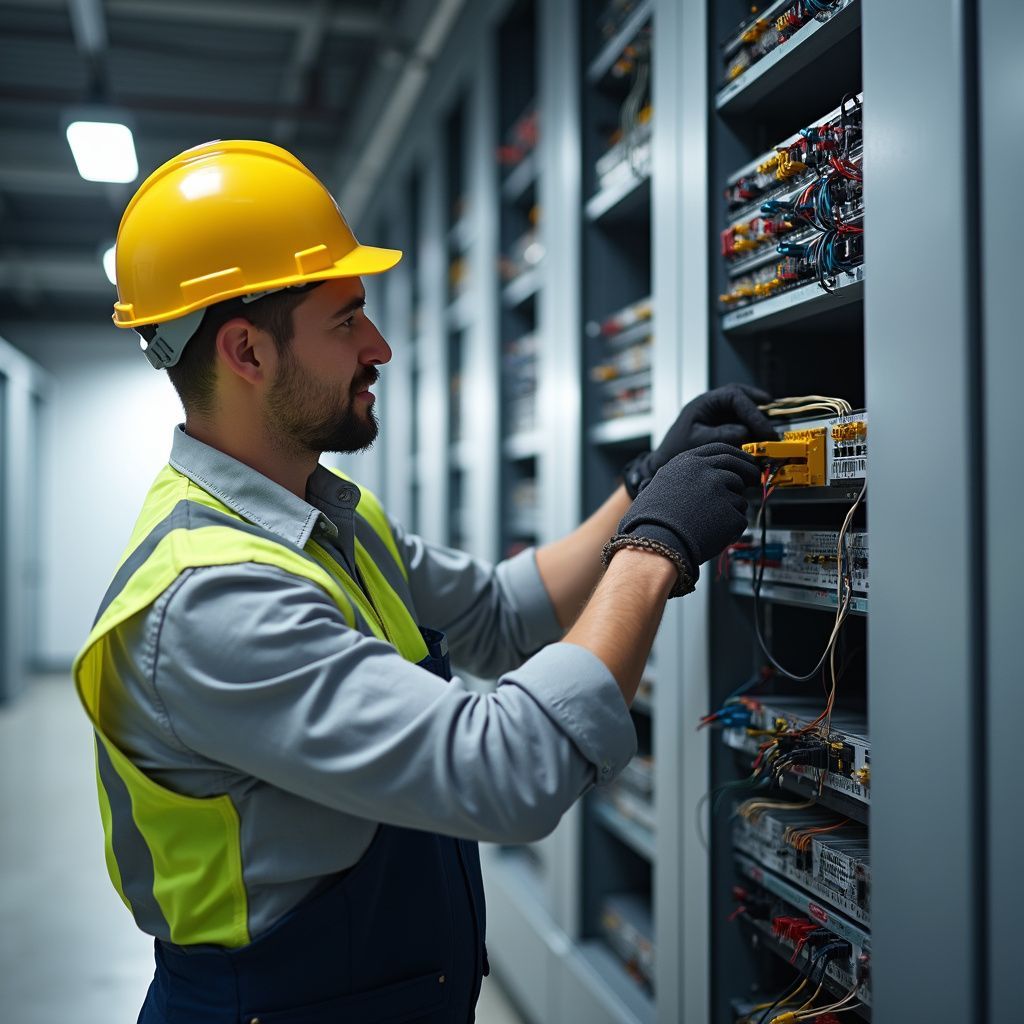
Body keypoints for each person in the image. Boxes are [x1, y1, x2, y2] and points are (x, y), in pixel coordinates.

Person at [74, 140, 774, 1024]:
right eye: (346, 319)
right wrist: (656, 548)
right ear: (248, 351)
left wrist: (641, 487)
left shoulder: (323, 516)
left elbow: (497, 613)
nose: (382, 347)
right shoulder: (210, 600)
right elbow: (508, 771)